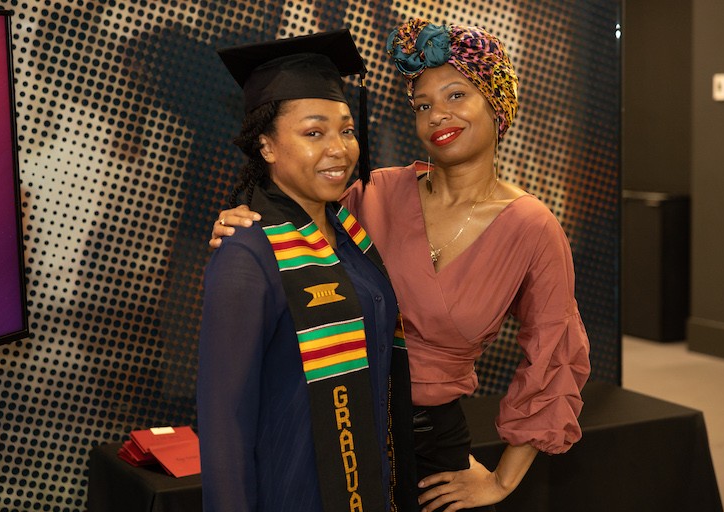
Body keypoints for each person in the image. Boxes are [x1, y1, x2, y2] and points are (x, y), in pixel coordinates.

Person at [209, 19, 591, 512]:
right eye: (423, 105)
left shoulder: (532, 228)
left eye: (456, 96)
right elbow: (295, 219)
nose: (438, 116)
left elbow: (555, 354)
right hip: (345, 430)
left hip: (435, 447)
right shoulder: (376, 194)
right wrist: (241, 222)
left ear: (495, 103)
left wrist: (502, 480)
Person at [197, 29, 418, 512]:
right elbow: (224, 430)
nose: (338, 148)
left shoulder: (351, 236)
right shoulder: (247, 257)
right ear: (267, 146)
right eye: (313, 132)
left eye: (346, 129)